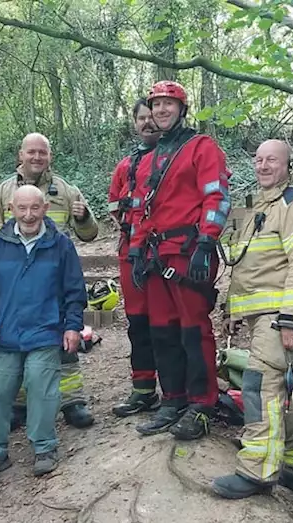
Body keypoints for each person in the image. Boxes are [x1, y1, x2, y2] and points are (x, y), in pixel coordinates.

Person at [210, 140, 293, 499]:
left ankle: (257, 472)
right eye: (258, 160)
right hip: (259, 315)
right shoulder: (260, 206)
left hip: (279, 317)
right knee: (281, 389)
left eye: (271, 160)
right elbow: (247, 266)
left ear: (288, 165)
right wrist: (232, 310)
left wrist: (292, 319)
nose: (263, 166)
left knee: (260, 386)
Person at [127, 80, 231, 441]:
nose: (161, 110)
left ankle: (202, 404)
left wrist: (207, 241)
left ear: (182, 109)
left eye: (169, 105)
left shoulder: (201, 148)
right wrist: (137, 248)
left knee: (193, 329)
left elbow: (216, 197)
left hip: (188, 253)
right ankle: (173, 399)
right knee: (163, 332)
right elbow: (142, 208)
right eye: (156, 105)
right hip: (157, 256)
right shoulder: (150, 157)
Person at [0, 185, 87, 484]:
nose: (29, 214)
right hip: (6, 334)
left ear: (45, 208)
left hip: (45, 332)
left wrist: (72, 324)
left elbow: (74, 290)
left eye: (35, 208)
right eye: (22, 208)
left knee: (40, 386)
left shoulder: (61, 244)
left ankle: (44, 449)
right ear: (11, 209)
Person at [0, 133, 99, 429]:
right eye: (31, 152)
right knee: (17, 344)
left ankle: (72, 402)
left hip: (55, 282)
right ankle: (20, 405)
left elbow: (89, 233)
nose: (37, 157)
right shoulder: (0, 192)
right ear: (20, 154)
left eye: (43, 152)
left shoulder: (65, 190)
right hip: (16, 284)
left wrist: (84, 216)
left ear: (50, 156)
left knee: (66, 346)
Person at [109, 99, 163, 417]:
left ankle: (176, 391)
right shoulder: (125, 166)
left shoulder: (177, 158)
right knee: (138, 325)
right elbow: (116, 206)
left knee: (167, 326)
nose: (147, 123)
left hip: (166, 255)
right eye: (141, 118)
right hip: (131, 255)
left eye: (152, 117)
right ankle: (143, 390)